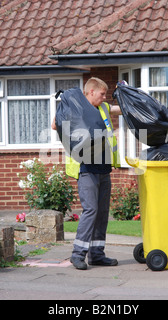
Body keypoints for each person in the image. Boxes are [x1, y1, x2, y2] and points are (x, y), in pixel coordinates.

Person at [52, 77, 121, 270]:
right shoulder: (77, 109)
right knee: (90, 210)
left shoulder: (104, 108)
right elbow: (55, 125)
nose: (104, 97)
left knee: (102, 213)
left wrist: (127, 95)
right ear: (90, 92)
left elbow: (119, 109)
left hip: (104, 168)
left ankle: (97, 254)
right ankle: (77, 254)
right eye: (102, 94)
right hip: (86, 169)